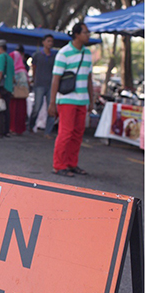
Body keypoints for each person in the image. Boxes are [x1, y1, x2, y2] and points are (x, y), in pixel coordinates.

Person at [49, 22, 94, 177]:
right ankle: (59, 165)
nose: (88, 35)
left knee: (77, 134)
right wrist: (52, 103)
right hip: (67, 99)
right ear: (76, 34)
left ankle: (71, 164)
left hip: (82, 100)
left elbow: (89, 78)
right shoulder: (64, 53)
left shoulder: (87, 53)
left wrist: (91, 100)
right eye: (86, 33)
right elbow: (56, 79)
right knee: (66, 133)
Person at [29, 34, 57, 138]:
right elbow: (34, 69)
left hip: (50, 85)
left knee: (51, 108)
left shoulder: (54, 57)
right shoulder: (37, 55)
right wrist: (34, 81)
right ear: (43, 42)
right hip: (39, 84)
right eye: (48, 41)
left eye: (51, 41)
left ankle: (48, 131)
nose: (50, 43)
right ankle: (31, 125)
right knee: (37, 107)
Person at [0, 39, 15, 138]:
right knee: (6, 110)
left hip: (2, 87)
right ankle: (6, 131)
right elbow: (13, 76)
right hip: (8, 87)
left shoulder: (0, 57)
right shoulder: (10, 58)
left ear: (0, 48)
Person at [10, 44, 29, 135]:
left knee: (15, 112)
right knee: (19, 112)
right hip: (21, 95)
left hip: (17, 94)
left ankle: (14, 128)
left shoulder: (19, 70)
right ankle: (17, 129)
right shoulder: (22, 68)